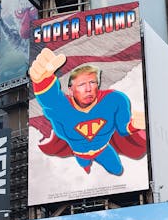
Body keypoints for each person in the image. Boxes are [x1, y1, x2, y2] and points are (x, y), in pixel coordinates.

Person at [29, 47, 147, 175]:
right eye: (81, 85)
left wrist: (135, 125)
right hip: (80, 153)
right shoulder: (63, 108)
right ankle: (86, 167)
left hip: (103, 149)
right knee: (85, 166)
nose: (88, 89)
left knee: (117, 170)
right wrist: (42, 81)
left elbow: (123, 128)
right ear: (71, 90)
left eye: (92, 82)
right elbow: (50, 100)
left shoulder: (114, 101)